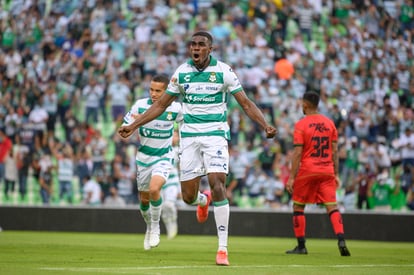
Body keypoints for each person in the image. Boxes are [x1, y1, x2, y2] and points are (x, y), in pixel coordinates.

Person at [118, 31, 277, 265]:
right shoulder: (182, 73)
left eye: (201, 45)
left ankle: (222, 249)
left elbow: (245, 102)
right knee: (188, 197)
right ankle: (203, 201)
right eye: (193, 44)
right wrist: (133, 126)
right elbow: (161, 105)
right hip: (189, 138)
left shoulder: (223, 71)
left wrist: (265, 125)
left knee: (218, 182)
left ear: (210, 49)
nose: (196, 48)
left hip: (215, 136)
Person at [118, 74, 183, 251]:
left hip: (164, 156)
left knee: (155, 189)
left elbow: (187, 126)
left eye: (158, 91)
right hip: (143, 158)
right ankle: (148, 227)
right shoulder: (140, 105)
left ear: (166, 91)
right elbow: (126, 126)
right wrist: (125, 129)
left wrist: (182, 137)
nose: (154, 94)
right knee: (144, 200)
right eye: (152, 90)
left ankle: (155, 227)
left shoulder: (175, 108)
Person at [286, 91, 350, 256]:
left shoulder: (301, 125)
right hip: (327, 170)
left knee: (298, 206)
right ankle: (341, 239)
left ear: (305, 104)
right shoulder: (330, 124)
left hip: (308, 170)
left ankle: (301, 246)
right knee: (332, 207)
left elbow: (297, 153)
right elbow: (335, 152)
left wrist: (292, 177)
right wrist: (335, 173)